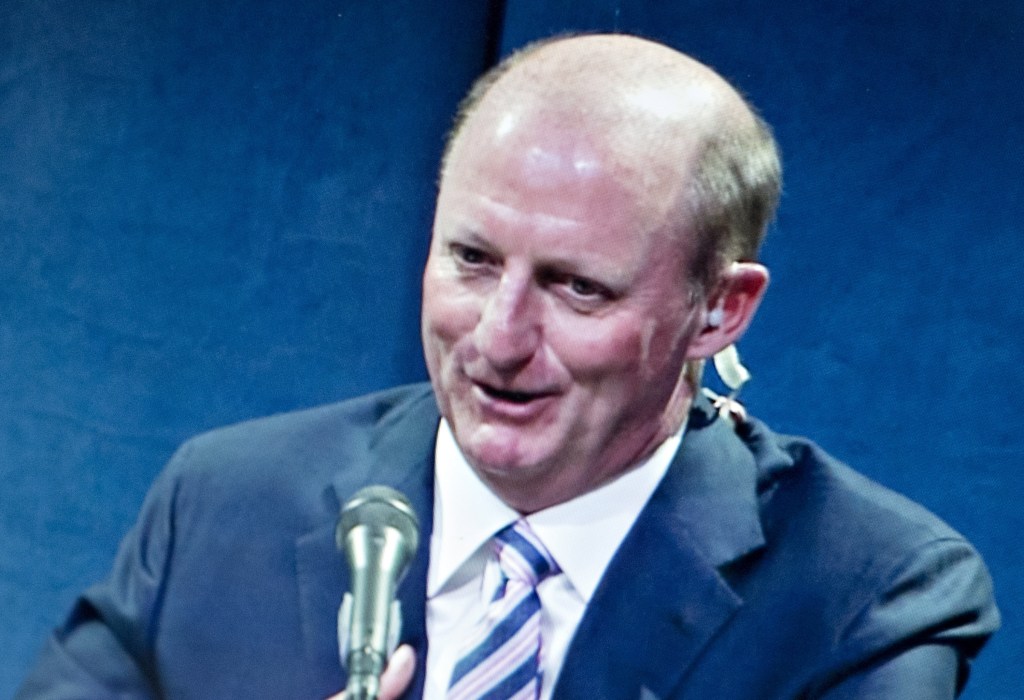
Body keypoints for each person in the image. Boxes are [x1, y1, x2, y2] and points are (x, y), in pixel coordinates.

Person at [19, 33, 998, 700]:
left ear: (718, 309)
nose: (496, 338)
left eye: (577, 287)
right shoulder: (223, 505)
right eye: (472, 259)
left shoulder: (864, 599)